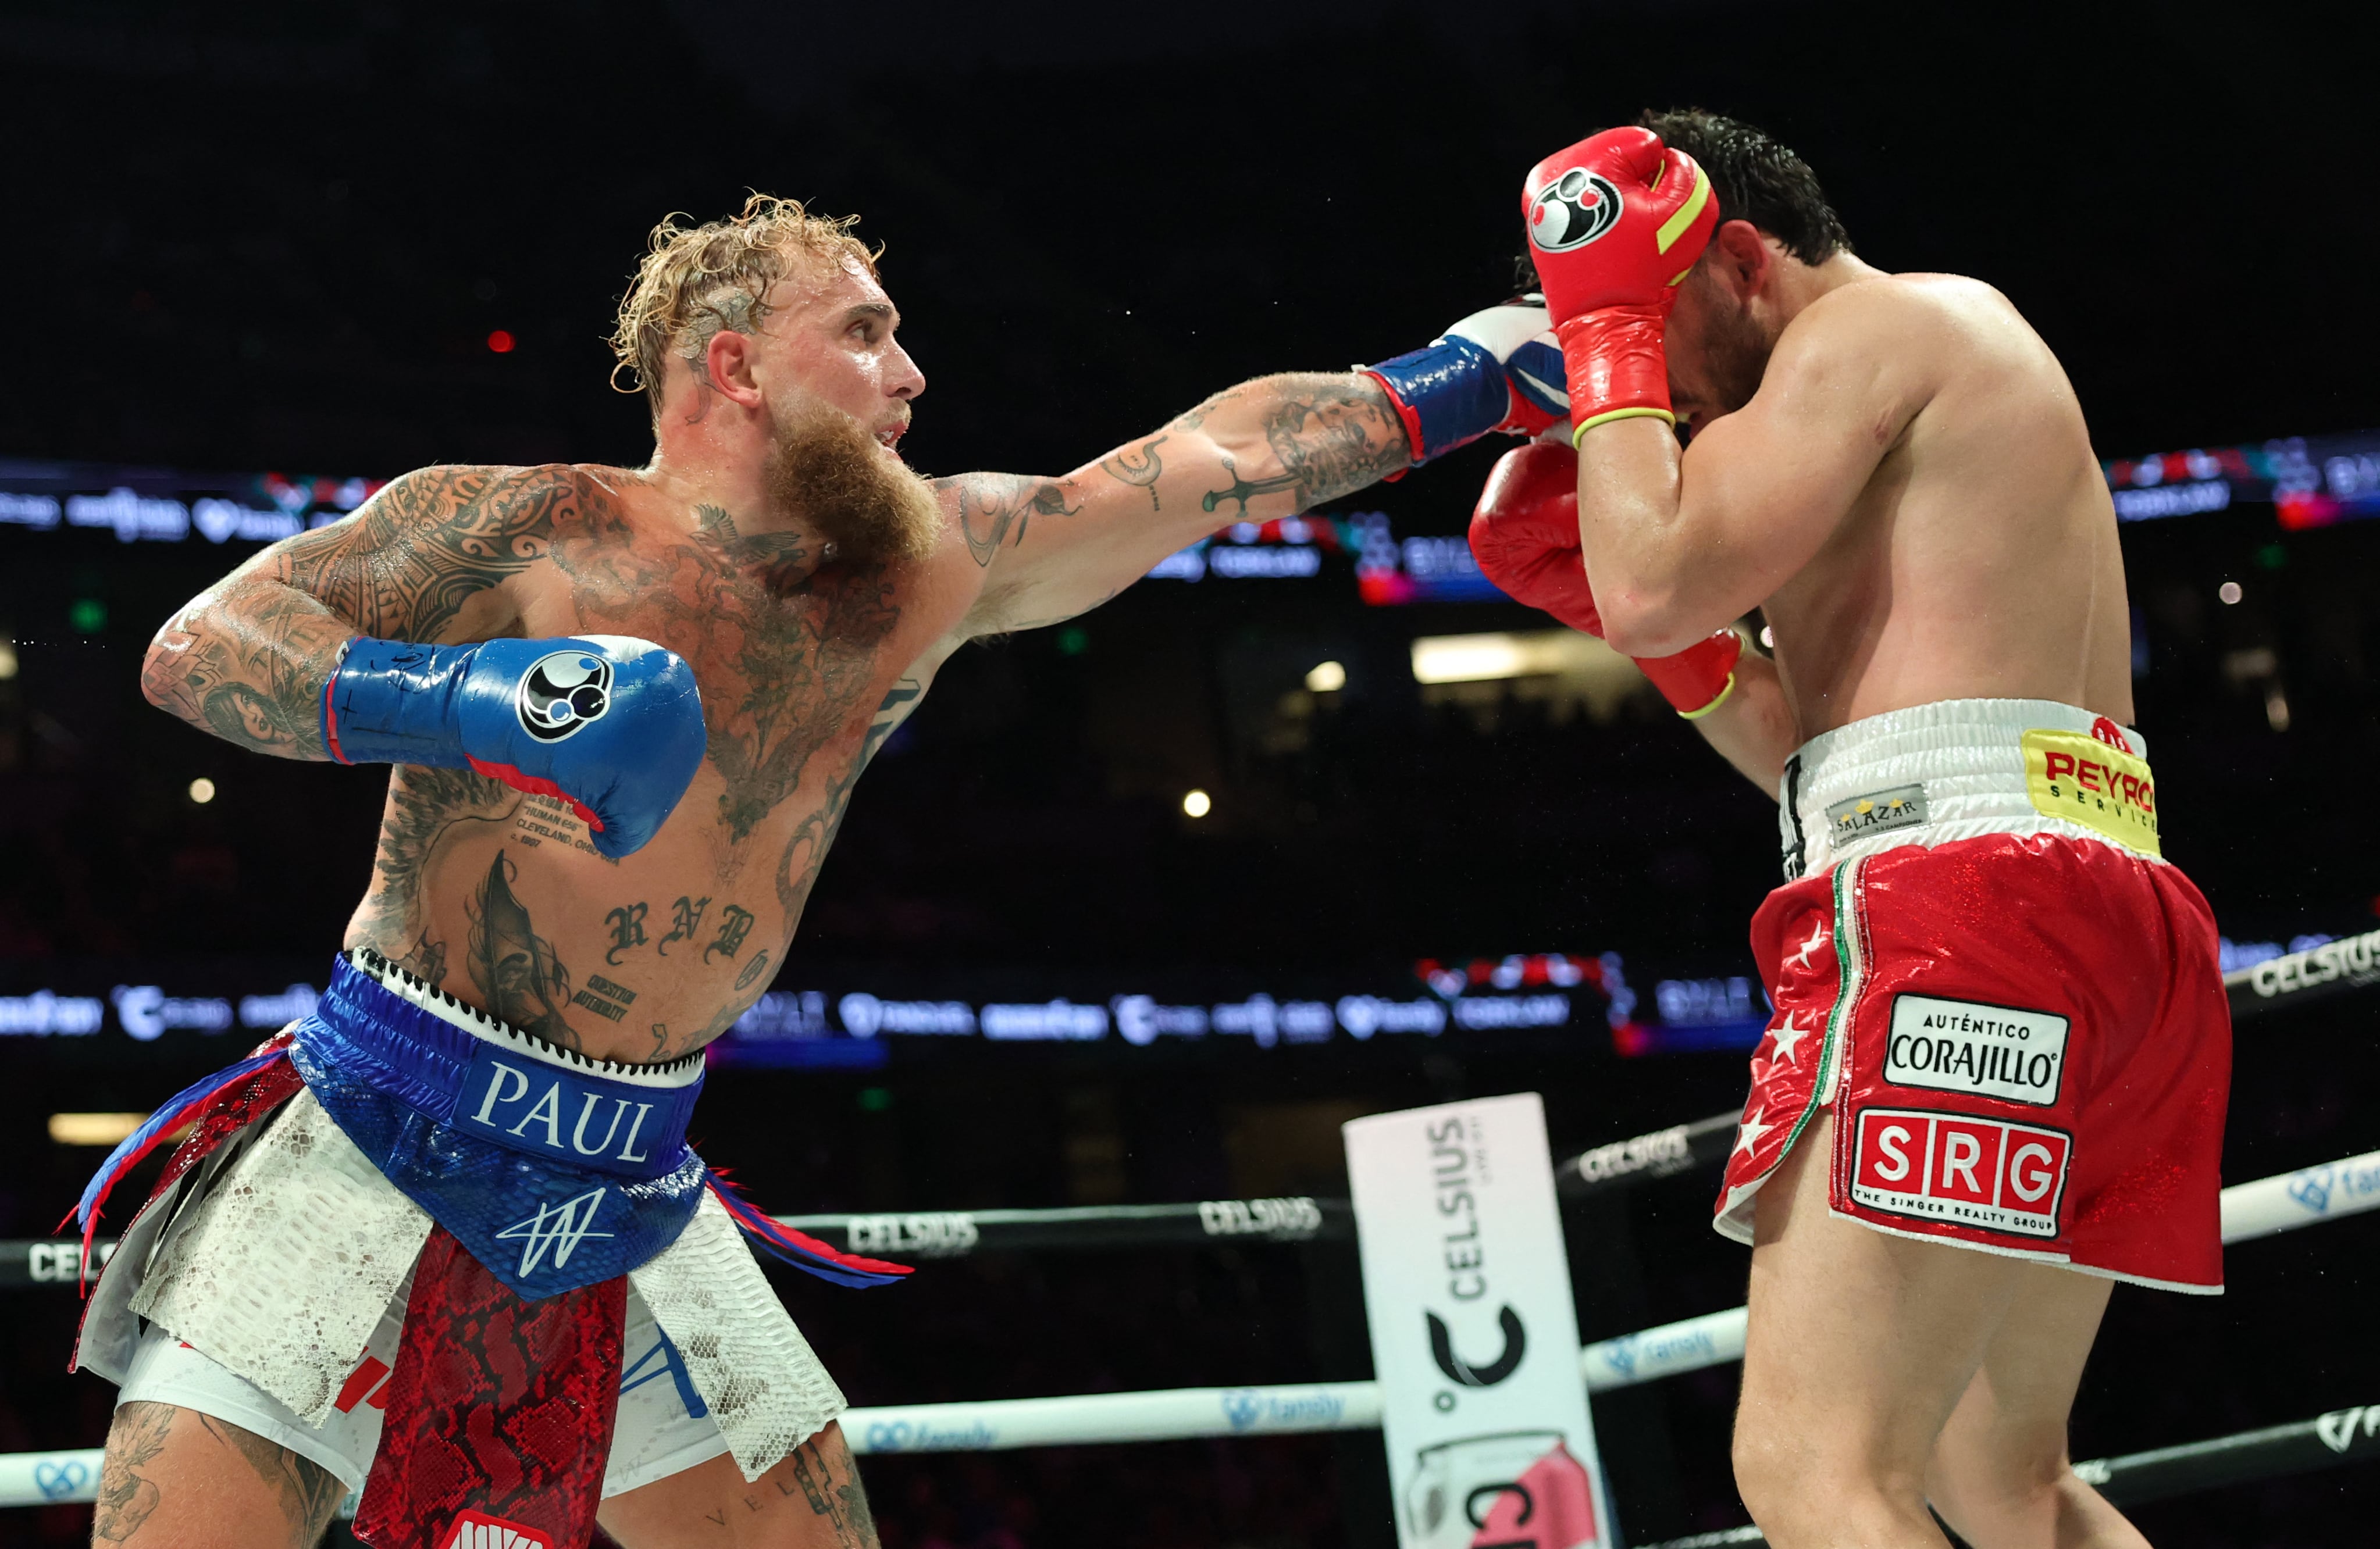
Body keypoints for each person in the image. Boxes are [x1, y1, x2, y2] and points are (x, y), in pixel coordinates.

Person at [76, 193, 1559, 1549]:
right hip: (376, 1125)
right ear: (734, 368)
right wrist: (478, 703)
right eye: (864, 333)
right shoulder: (527, 526)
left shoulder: (930, 562)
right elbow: (200, 649)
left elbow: (1207, 467)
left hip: (630, 1178)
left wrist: (1477, 372)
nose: (910, 373)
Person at [1471, 112, 2228, 1547]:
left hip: (1971, 914)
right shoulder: (1909, 380)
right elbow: (1815, 756)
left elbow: (1652, 586)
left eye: (1646, 330)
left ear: (1741, 260)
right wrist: (1675, 645)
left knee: (1813, 1470)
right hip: (2096, 907)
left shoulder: (1873, 330)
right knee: (2000, 1484)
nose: (1650, 404)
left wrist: (1611, 353)